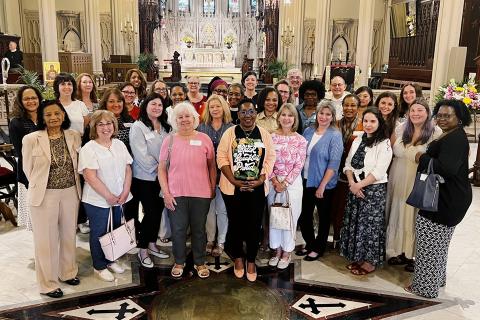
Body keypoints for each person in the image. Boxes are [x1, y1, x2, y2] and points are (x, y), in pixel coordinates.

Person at [406, 100, 472, 299]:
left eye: (447, 116)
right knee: (439, 244)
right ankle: (437, 279)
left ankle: (425, 287)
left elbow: (447, 168)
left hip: (444, 200)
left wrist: (421, 158)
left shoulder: (456, 139)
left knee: (429, 243)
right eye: (440, 115)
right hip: (450, 197)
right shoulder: (453, 134)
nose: (442, 119)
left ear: (459, 118)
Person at [22, 100, 82, 298]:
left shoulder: (74, 136)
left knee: (68, 235)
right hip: (45, 194)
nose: (53, 117)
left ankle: (68, 272)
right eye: (48, 114)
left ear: (63, 115)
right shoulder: (31, 139)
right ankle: (47, 283)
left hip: (70, 192)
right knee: (45, 240)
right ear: (42, 117)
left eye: (57, 113)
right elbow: (27, 169)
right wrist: (43, 186)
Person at [217, 98, 276, 282]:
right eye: (243, 112)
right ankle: (239, 259)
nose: (247, 116)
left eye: (251, 112)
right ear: (238, 114)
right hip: (232, 187)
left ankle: (251, 260)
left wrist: (261, 178)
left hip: (256, 189)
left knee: (254, 225)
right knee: (235, 225)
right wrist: (233, 180)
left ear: (255, 113)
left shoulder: (264, 134)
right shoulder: (230, 133)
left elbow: (270, 158)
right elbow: (221, 157)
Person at [158, 102, 216, 279]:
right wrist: (166, 193)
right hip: (176, 194)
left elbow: (211, 166)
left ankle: (200, 262)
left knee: (199, 230)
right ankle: (179, 261)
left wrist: (212, 187)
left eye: (187, 116)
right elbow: (161, 169)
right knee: (178, 230)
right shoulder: (169, 140)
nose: (184, 120)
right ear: (175, 120)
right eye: (180, 117)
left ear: (194, 118)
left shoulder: (204, 139)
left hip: (201, 193)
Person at [386, 98, 441, 272]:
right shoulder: (402, 128)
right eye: (413, 111)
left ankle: (415, 254)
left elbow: (435, 157)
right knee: (399, 210)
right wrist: (414, 153)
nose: (416, 114)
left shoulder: (435, 132)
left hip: (418, 178)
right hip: (399, 175)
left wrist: (414, 154)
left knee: (414, 214)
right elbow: (394, 149)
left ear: (427, 113)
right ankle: (401, 251)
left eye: (420, 110)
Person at [78, 110, 133, 282]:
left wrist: (125, 191)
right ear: (94, 127)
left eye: (109, 123)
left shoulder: (119, 144)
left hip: (120, 197)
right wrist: (108, 196)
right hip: (97, 200)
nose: (105, 127)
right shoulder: (89, 148)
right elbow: (90, 176)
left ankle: (111, 259)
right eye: (100, 124)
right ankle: (99, 266)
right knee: (100, 232)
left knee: (114, 230)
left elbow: (127, 169)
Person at [340, 107, 392, 275]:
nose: (368, 125)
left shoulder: (384, 143)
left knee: (370, 226)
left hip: (373, 191)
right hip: (355, 188)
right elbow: (348, 164)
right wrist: (351, 184)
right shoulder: (358, 139)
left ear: (379, 123)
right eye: (366, 121)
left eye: (373, 121)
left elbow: (379, 171)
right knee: (356, 224)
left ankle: (370, 261)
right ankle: (358, 257)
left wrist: (359, 185)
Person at [295, 101, 343, 260]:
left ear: (332, 117)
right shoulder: (308, 131)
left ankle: (319, 247)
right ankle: (310, 243)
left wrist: (322, 185)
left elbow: (334, 163)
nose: (323, 117)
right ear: (317, 114)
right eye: (321, 113)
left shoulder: (335, 135)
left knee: (323, 217)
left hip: (324, 184)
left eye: (328, 114)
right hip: (305, 180)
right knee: (304, 216)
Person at [129, 93, 171, 268]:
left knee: (158, 211)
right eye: (153, 104)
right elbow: (141, 155)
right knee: (151, 212)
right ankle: (143, 248)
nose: (156, 108)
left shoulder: (166, 127)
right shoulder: (138, 127)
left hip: (163, 178)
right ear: (146, 106)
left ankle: (152, 243)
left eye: (160, 105)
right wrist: (160, 170)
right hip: (145, 178)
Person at [267, 103, 307, 269]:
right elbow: (267, 161)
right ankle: (276, 250)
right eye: (283, 115)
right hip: (273, 182)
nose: (286, 118)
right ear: (279, 117)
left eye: (290, 115)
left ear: (295, 119)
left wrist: (285, 183)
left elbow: (299, 165)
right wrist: (275, 181)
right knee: (275, 216)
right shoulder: (270, 137)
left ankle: (287, 251)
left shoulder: (300, 140)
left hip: (292, 184)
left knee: (289, 218)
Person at [197, 94, 233, 256]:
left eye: (218, 106)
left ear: (223, 107)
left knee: (223, 209)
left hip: (226, 176)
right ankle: (210, 239)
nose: (215, 109)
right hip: (205, 177)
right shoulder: (202, 128)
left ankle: (221, 241)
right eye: (211, 107)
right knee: (209, 210)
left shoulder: (231, 128)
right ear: (207, 110)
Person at [331, 94, 364, 245]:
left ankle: (349, 240)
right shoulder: (336, 124)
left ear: (358, 108)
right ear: (342, 107)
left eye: (353, 105)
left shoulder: (363, 126)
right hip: (336, 171)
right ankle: (336, 238)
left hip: (355, 174)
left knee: (350, 209)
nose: (349, 108)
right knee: (336, 207)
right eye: (346, 105)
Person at [9, 86, 41, 231]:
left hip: (48, 169)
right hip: (29, 170)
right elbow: (20, 152)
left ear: (39, 99)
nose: (31, 101)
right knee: (36, 214)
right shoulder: (16, 122)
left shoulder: (45, 117)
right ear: (21, 102)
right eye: (26, 98)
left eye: (33, 97)